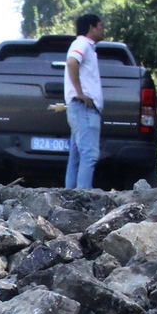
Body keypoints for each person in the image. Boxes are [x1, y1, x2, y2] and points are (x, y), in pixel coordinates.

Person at [64, 12, 107, 189]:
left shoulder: (86, 46)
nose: (103, 29)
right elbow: (72, 62)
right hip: (84, 108)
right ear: (92, 27)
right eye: (101, 26)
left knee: (76, 156)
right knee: (89, 154)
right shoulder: (82, 44)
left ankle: (69, 196)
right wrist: (80, 92)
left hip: (79, 108)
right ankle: (83, 196)